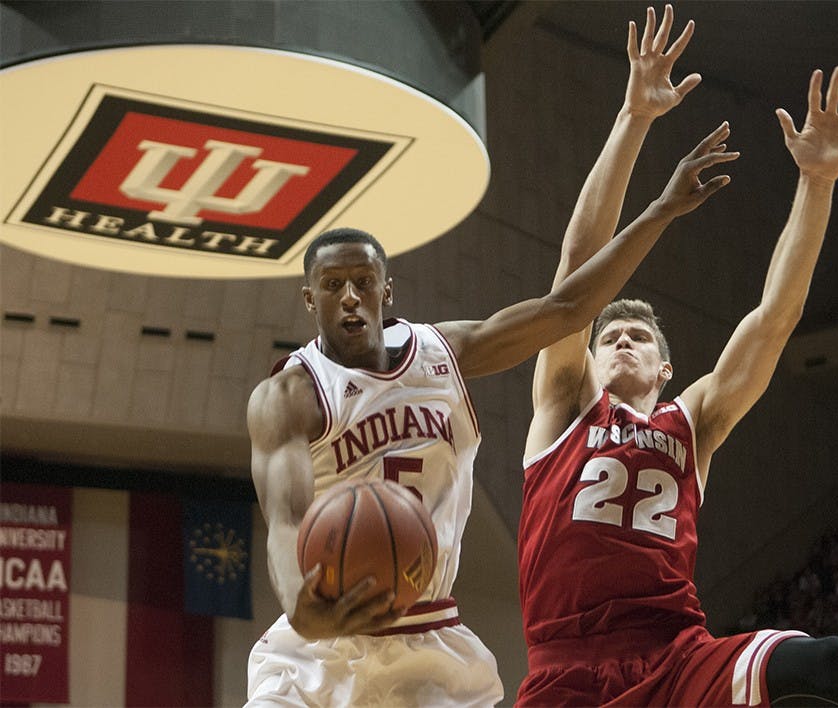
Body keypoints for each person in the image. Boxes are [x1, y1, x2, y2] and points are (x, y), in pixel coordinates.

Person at [244, 7, 735, 704]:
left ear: (389, 289)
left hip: (428, 640)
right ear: (308, 299)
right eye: (332, 285)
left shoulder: (447, 352)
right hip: (318, 640)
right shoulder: (290, 395)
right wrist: (300, 600)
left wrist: (657, 209)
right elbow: (286, 518)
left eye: (362, 282)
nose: (350, 298)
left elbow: (568, 307)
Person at [516, 17, 838, 704]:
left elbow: (775, 319)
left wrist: (817, 184)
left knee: (824, 665)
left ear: (667, 369)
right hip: (566, 665)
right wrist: (633, 117)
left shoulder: (691, 419)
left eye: (637, 336)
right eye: (609, 335)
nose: (621, 340)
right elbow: (577, 268)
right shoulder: (562, 406)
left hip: (678, 653)